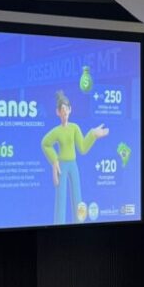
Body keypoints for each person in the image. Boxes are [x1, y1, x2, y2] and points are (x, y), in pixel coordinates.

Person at [41, 90, 109, 224]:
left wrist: (93, 135)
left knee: (77, 196)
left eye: (66, 109)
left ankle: (79, 224)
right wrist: (54, 161)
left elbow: (82, 148)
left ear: (70, 110)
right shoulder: (57, 131)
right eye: (62, 109)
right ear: (57, 112)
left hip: (73, 165)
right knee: (61, 197)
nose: (65, 112)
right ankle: (58, 225)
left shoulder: (74, 128)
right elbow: (45, 143)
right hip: (62, 166)